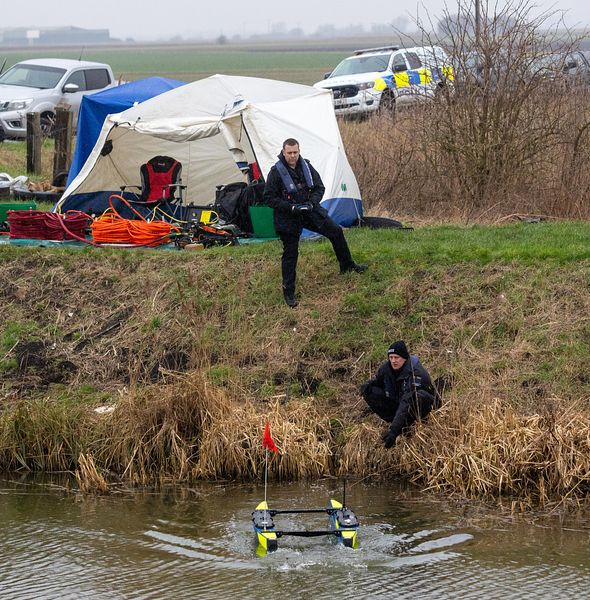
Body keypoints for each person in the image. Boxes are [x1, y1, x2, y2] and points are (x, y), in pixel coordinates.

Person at [263, 138, 367, 307]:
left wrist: (312, 202)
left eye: (295, 152)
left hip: (310, 210)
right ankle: (289, 292)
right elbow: (269, 198)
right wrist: (290, 208)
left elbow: (319, 187)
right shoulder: (275, 172)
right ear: (283, 152)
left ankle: (347, 265)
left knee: (336, 231)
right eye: (289, 153)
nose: (292, 156)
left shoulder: (307, 166)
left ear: (299, 151)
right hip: (288, 215)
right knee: (291, 253)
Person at [361, 340, 436, 449]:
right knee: (370, 390)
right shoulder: (386, 369)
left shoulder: (416, 373)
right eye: (391, 357)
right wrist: (367, 386)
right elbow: (379, 383)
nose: (393, 361)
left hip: (419, 408)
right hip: (399, 404)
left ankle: (408, 426)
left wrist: (393, 431)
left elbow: (407, 401)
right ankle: (397, 422)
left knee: (416, 396)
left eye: (397, 357)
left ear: (404, 358)